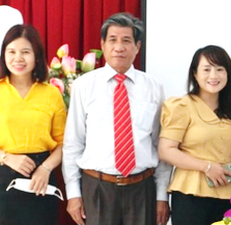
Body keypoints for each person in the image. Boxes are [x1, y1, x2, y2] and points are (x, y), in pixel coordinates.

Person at [62, 12, 171, 225]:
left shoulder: (153, 87)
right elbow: (73, 143)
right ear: (103, 45)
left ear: (137, 47)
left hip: (142, 188)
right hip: (98, 187)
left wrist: (161, 196)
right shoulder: (84, 86)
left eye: (126, 41)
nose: (119, 47)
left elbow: (161, 145)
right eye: (112, 40)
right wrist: (73, 193)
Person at [0, 24, 66, 225]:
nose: (18, 58)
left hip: (41, 179)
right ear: (4, 56)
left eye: (25, 52)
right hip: (2, 178)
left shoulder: (51, 94)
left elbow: (65, 144)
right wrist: (6, 158)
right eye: (11, 52)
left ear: (36, 56)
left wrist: (45, 168)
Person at [159, 45, 231, 225]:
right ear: (195, 74)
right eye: (206, 69)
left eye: (220, 69)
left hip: (228, 194)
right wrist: (207, 167)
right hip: (191, 194)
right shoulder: (182, 106)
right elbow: (166, 150)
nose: (213, 75)